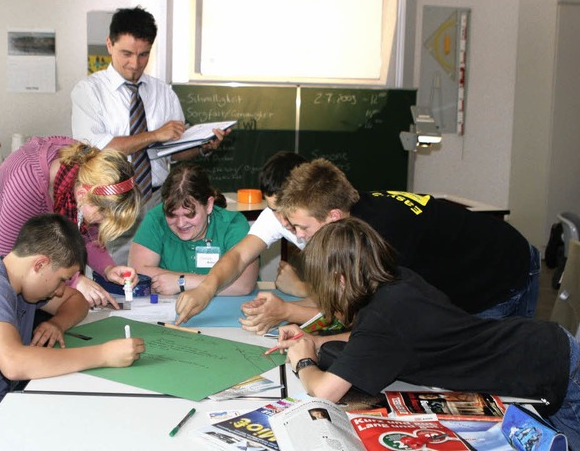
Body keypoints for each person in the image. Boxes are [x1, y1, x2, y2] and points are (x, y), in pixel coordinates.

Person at [274, 218, 579, 448]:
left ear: (339, 281)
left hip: (555, 372)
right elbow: (370, 340)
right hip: (540, 348)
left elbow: (325, 392)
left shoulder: (384, 317)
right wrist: (317, 340)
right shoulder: (397, 283)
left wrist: (304, 360)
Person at [0, 214, 145, 450]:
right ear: (40, 264)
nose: (60, 291)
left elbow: (76, 301)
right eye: (62, 280)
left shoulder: (21, 285)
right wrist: (104, 355)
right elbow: (14, 363)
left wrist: (57, 323)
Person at [275, 158, 540, 319]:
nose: (299, 235)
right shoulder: (351, 208)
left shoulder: (378, 238)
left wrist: (292, 303)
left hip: (502, 275)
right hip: (476, 261)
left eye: (302, 227)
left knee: (490, 370)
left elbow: (364, 319)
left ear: (333, 216)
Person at [71, 6, 229, 265]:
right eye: (127, 53)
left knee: (159, 269)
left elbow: (172, 151)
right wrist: (155, 134)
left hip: (159, 199)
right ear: (109, 45)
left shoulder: (163, 92)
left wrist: (202, 146)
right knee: (116, 271)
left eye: (143, 54)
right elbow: (99, 149)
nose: (135, 64)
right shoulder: (89, 91)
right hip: (113, 200)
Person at [0, 135, 140, 309]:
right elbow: (10, 261)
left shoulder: (87, 173)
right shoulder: (27, 181)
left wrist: (108, 268)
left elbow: (86, 232)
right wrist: (74, 280)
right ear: (81, 196)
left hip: (41, 264)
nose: (99, 225)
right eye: (103, 218)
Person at [175, 151, 316, 328]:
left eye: (286, 209)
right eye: (274, 209)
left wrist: (299, 292)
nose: (282, 220)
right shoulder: (276, 217)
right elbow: (239, 256)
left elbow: (346, 309)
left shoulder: (337, 227)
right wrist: (207, 288)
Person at [130, 163, 258, 295]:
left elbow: (243, 284)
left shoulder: (233, 225)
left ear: (209, 205)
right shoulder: (156, 218)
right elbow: (137, 272)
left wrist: (181, 282)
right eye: (171, 214)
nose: (180, 223)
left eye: (189, 214)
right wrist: (217, 283)